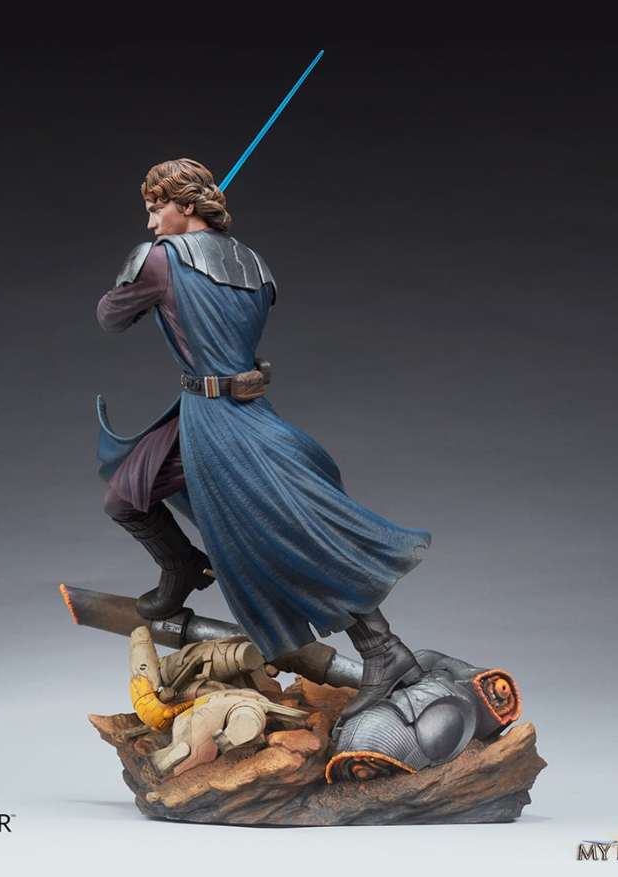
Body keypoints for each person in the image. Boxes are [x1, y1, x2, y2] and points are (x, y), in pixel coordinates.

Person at [95, 158, 431, 720]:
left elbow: (110, 316)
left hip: (221, 419)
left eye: (156, 209)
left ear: (185, 205)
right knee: (127, 495)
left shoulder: (159, 258)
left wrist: (138, 269)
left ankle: (383, 650)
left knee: (283, 532)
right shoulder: (253, 262)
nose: (151, 222)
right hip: (212, 409)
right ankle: (181, 566)